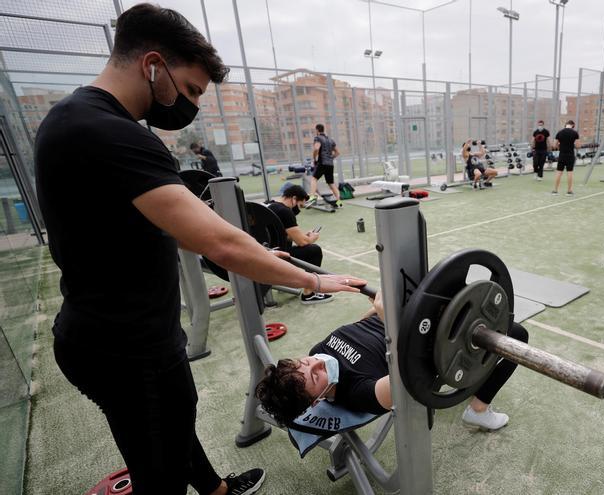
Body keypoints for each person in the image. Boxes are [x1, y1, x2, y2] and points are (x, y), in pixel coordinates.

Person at [33, 5, 365, 495]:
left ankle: (216, 490)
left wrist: (268, 256)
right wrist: (315, 280)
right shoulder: (108, 132)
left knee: (171, 424)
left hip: (112, 334)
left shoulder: (68, 118)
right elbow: (220, 242)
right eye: (188, 89)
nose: (188, 104)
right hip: (127, 347)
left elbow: (184, 232)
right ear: (152, 64)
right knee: (159, 472)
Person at [255, 291, 528, 431]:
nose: (316, 363)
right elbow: (406, 375)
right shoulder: (359, 394)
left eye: (303, 363)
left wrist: (378, 307)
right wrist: (390, 319)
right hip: (425, 341)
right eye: (315, 377)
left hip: (401, 318)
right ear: (317, 401)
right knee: (516, 334)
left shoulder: (317, 351)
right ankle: (478, 411)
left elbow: (358, 326)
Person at [267, 183, 332, 304]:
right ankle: (309, 293)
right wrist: (312, 238)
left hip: (269, 252)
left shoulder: (273, 206)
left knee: (302, 247)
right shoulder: (286, 212)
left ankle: (286, 280)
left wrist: (303, 236)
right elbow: (302, 243)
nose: (299, 209)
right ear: (294, 199)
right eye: (300, 205)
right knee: (314, 250)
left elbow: (282, 235)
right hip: (279, 256)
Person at [309, 123, 342, 208]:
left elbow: (316, 148)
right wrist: (331, 158)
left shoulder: (317, 138)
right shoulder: (330, 140)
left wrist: (314, 158)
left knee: (314, 179)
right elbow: (337, 152)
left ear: (317, 130)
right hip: (330, 164)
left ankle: (312, 197)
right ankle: (339, 201)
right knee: (331, 183)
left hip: (322, 162)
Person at [552, 120, 580, 195]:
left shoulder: (559, 132)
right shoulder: (575, 133)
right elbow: (578, 146)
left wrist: (560, 146)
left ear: (566, 125)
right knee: (569, 172)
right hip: (570, 155)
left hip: (562, 155)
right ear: (573, 125)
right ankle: (569, 191)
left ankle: (555, 190)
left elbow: (554, 145)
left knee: (559, 172)